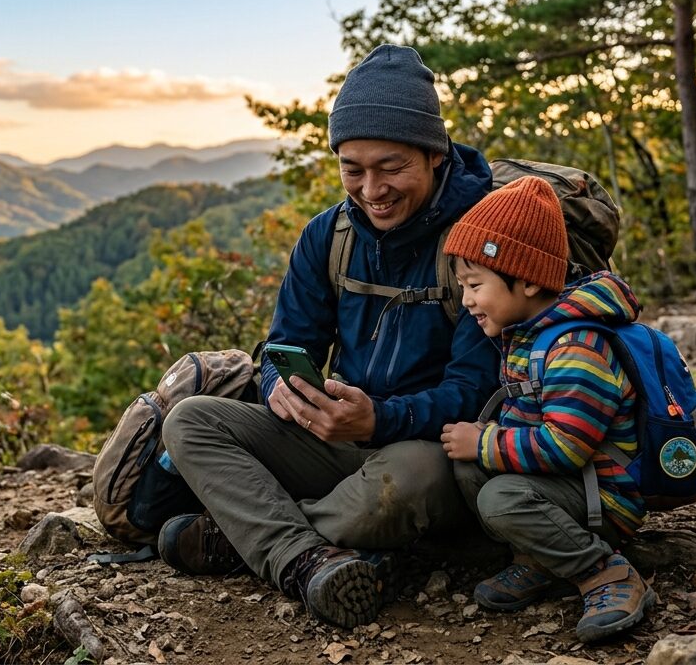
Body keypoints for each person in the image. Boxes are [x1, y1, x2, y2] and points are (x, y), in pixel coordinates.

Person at [158, 44, 500, 629]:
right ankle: (309, 558)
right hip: (338, 437)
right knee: (189, 419)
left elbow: (478, 389)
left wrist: (379, 421)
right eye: (352, 168)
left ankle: (253, 538)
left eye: (391, 166)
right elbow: (284, 344)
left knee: (401, 484)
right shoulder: (328, 236)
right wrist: (281, 389)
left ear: (435, 155)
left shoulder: (481, 237)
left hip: (434, 447)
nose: (371, 189)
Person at [439, 176, 656, 644]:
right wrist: (481, 449)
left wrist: (485, 441)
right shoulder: (530, 334)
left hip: (607, 494)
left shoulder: (576, 346)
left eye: (475, 284)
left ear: (530, 280)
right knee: (468, 472)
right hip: (573, 483)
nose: (468, 300)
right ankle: (540, 558)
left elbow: (566, 447)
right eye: (462, 286)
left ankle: (606, 572)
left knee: (499, 497)